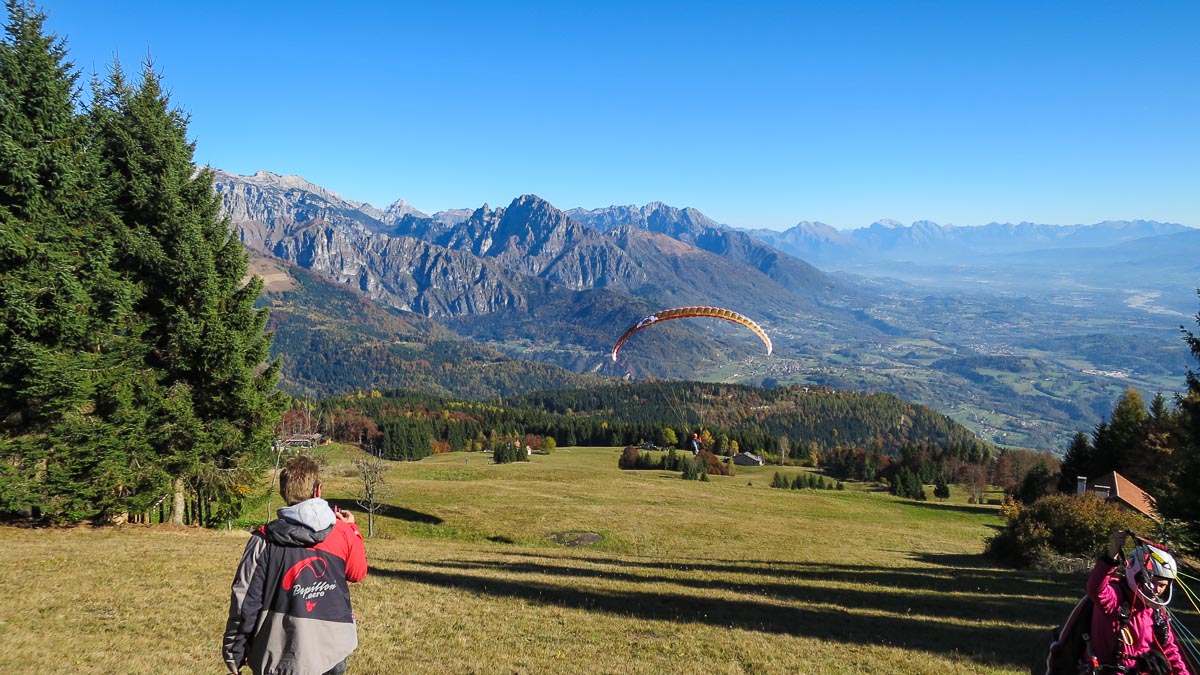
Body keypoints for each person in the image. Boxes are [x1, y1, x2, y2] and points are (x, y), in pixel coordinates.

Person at [223, 456, 368, 675]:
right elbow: (357, 573)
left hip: (277, 652)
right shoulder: (342, 532)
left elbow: (245, 601)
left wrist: (235, 650)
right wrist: (352, 529)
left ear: (283, 492)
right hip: (332, 648)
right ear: (318, 490)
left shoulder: (263, 540)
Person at [1085, 530, 1190, 674]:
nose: (1156, 589)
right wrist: (1113, 552)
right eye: (1152, 582)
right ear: (1135, 574)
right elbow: (1095, 588)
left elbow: (1169, 650)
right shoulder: (1114, 599)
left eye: (1162, 585)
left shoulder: (1157, 612)